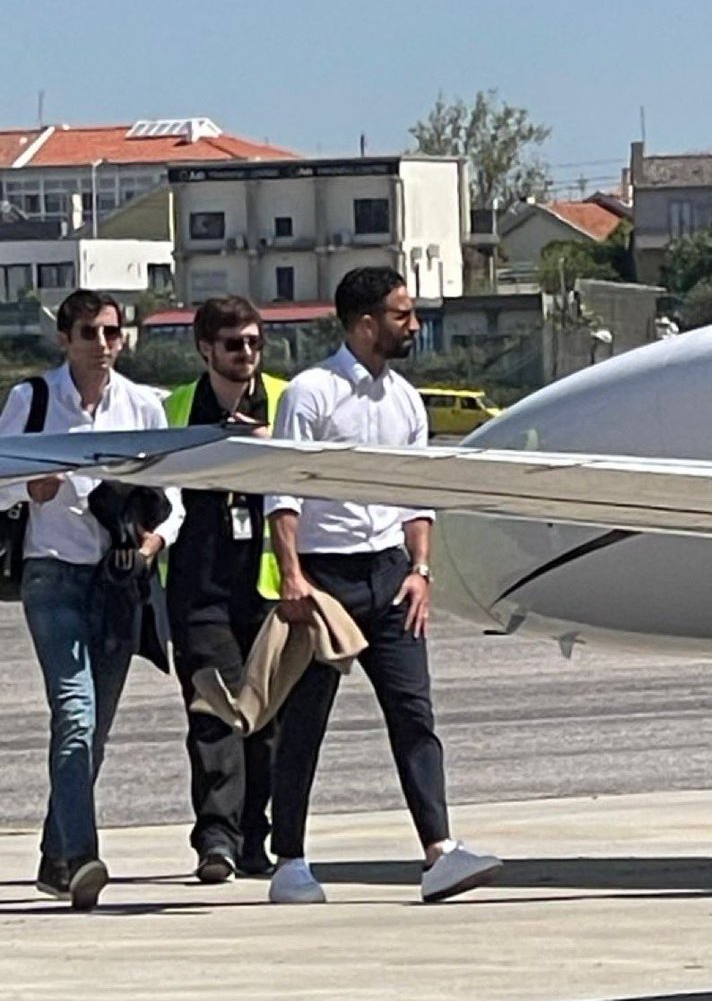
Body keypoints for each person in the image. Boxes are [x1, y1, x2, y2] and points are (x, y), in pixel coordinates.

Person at [266, 266, 502, 904]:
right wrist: (293, 578)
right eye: (403, 315)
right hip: (326, 578)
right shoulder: (310, 394)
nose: (415, 326)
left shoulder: (404, 399)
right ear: (365, 322)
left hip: (390, 577)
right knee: (305, 721)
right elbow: (282, 490)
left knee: (414, 713)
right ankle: (288, 860)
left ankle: (440, 852)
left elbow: (415, 493)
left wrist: (421, 570)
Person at [0, 290, 183, 911]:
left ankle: (55, 858)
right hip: (51, 572)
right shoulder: (33, 400)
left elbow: (171, 492)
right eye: (88, 332)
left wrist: (156, 539)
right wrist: (31, 486)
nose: (101, 344)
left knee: (95, 728)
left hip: (118, 579)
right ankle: (82, 856)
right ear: (64, 338)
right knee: (73, 714)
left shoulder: (142, 405)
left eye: (111, 332)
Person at [164, 297, 287, 883]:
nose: (246, 355)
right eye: (234, 344)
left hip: (268, 586)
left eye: (254, 343)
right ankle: (215, 841)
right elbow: (146, 493)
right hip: (200, 585)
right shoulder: (176, 409)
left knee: (264, 721)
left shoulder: (287, 401)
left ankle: (254, 840)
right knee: (213, 712)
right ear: (205, 349)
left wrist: (263, 441)